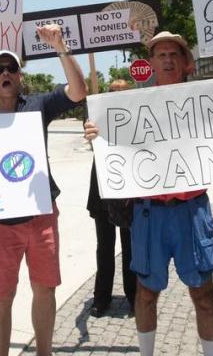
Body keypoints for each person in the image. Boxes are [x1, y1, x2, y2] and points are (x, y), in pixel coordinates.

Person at [84, 31, 213, 356]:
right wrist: (97, 134)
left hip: (192, 211)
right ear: (151, 63)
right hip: (149, 212)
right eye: (161, 54)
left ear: (184, 62)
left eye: (173, 54)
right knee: (145, 294)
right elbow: (116, 148)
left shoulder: (206, 102)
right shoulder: (132, 107)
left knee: (203, 295)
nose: (167, 59)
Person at [0, 24, 87, 356]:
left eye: (12, 67)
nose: (6, 73)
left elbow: (79, 91)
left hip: (41, 217)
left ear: (20, 75)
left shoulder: (39, 105)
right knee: (1, 297)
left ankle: (44, 352)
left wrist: (60, 47)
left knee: (45, 290)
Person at [86, 78, 137, 318]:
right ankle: (101, 298)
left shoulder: (139, 119)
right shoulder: (96, 118)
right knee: (104, 249)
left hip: (130, 193)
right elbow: (89, 136)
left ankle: (134, 296)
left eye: (121, 92)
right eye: (112, 91)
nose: (116, 95)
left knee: (130, 249)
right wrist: (90, 130)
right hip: (103, 193)